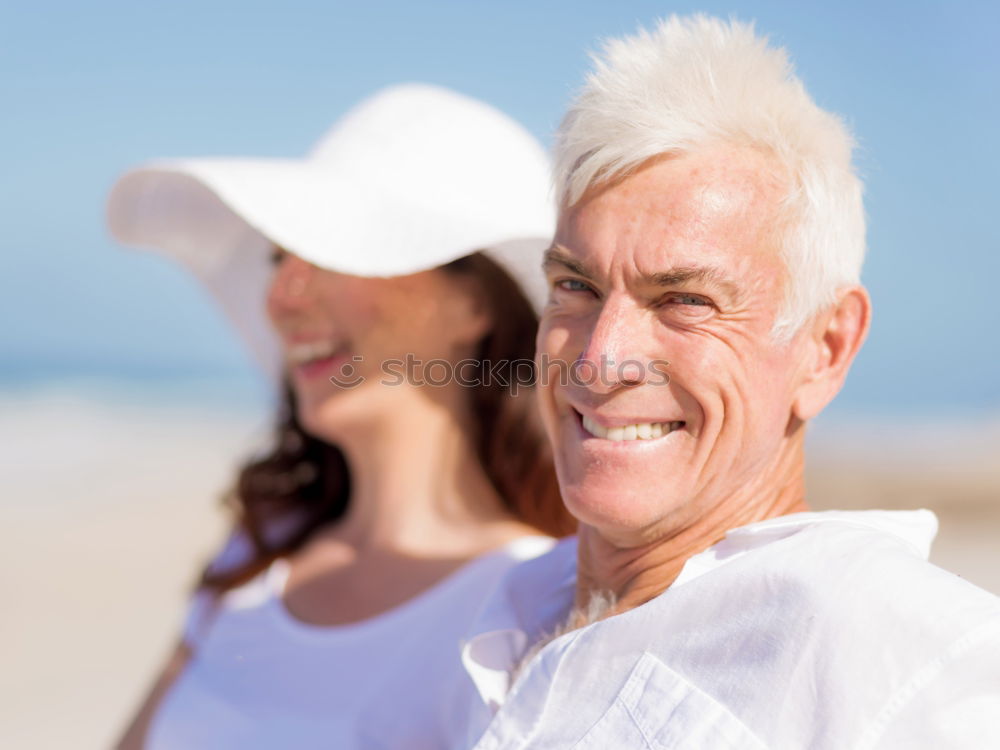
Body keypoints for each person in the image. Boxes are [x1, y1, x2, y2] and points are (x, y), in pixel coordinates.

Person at [453, 16, 1000, 749]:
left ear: (826, 346)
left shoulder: (915, 662)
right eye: (575, 285)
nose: (599, 360)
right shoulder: (508, 604)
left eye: (685, 300)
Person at [106, 83, 573, 749]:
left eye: (332, 250)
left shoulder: (530, 603)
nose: (282, 294)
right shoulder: (257, 552)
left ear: (475, 307)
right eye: (278, 255)